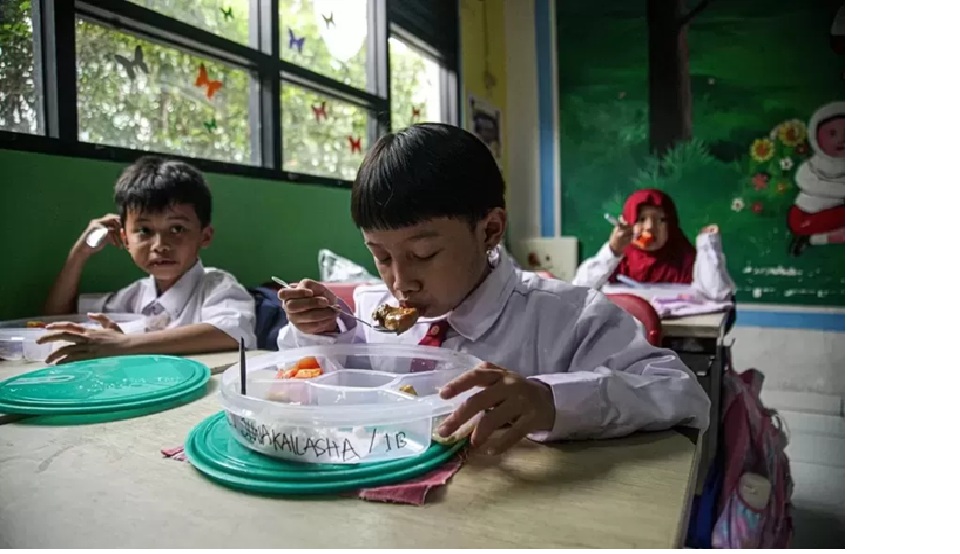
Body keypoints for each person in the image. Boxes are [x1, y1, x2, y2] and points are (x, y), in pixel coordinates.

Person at [275, 123, 710, 456]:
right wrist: (320, 333)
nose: (400, 281)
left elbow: (682, 391)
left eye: (424, 253)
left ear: (490, 230)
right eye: (381, 256)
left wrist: (551, 399)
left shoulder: (568, 319)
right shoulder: (370, 310)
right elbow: (333, 388)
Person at [38, 156, 256, 364]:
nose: (160, 245)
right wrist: (80, 254)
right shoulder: (133, 296)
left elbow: (232, 332)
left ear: (204, 236)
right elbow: (55, 317)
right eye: (144, 230)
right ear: (125, 239)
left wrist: (124, 344)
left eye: (177, 229)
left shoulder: (218, 285)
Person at [571, 188, 735, 301]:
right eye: (641, 219)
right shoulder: (618, 258)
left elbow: (718, 294)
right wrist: (612, 250)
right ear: (627, 223)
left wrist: (708, 245)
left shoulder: (685, 258)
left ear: (671, 225)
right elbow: (578, 290)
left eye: (660, 220)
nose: (650, 227)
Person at [787, 101, 844, 256]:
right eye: (832, 134)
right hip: (806, 214)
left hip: (837, 214)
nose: (841, 140)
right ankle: (808, 237)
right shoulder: (811, 166)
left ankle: (813, 240)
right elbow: (805, 181)